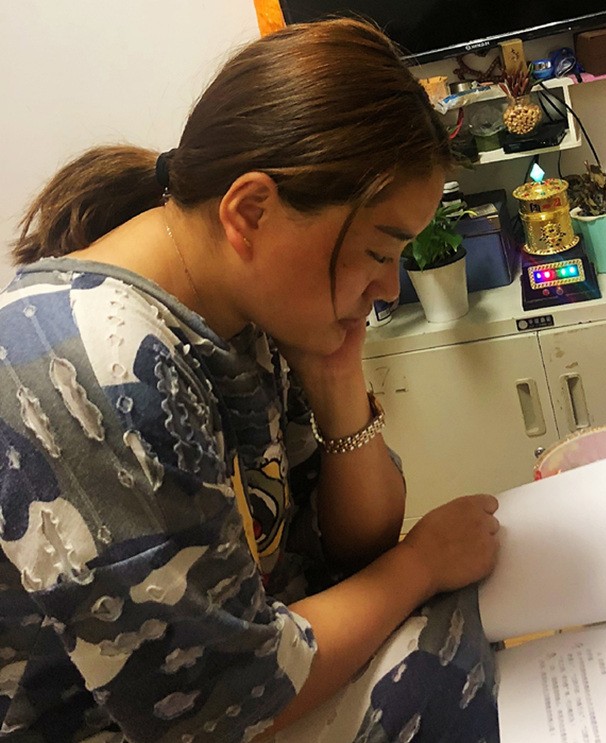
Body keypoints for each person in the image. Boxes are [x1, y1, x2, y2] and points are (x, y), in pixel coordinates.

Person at [0, 18, 501, 743]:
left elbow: (350, 550)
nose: (390, 287)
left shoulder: (241, 311)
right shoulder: (90, 367)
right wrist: (420, 565)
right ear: (250, 211)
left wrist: (336, 375)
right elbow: (221, 703)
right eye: (377, 252)